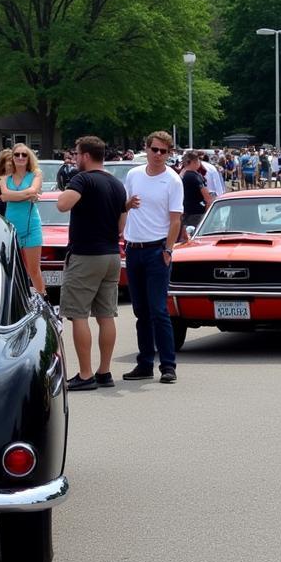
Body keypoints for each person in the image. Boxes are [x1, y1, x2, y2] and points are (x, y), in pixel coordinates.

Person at [56, 136, 128, 391]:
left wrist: (68, 188)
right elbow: (121, 225)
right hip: (111, 255)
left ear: (85, 155)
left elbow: (63, 204)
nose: (74, 158)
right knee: (106, 315)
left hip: (86, 254)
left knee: (77, 315)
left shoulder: (82, 179)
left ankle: (85, 374)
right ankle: (104, 371)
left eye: (76, 154)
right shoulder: (117, 185)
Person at [122, 130, 183, 385]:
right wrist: (128, 206)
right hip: (134, 248)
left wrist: (168, 249)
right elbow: (123, 207)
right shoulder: (134, 174)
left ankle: (168, 365)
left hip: (157, 249)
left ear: (169, 154)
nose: (158, 155)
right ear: (146, 149)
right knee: (140, 311)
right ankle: (145, 362)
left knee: (159, 309)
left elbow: (175, 219)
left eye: (164, 151)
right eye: (154, 149)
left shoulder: (172, 180)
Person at [0, 145, 45, 295]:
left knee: (33, 270)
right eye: (17, 154)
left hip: (31, 226)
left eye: (24, 155)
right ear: (12, 157)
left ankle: (43, 300)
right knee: (13, 270)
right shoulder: (6, 178)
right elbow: (4, 196)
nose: (20, 157)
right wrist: (27, 195)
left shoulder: (36, 174)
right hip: (11, 227)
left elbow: (34, 190)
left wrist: (13, 195)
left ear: (28, 157)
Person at [180, 150, 213, 230]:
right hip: (196, 214)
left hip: (187, 211)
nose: (199, 162)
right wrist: (208, 214)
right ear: (193, 162)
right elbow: (207, 198)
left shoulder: (183, 174)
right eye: (198, 160)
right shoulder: (194, 177)